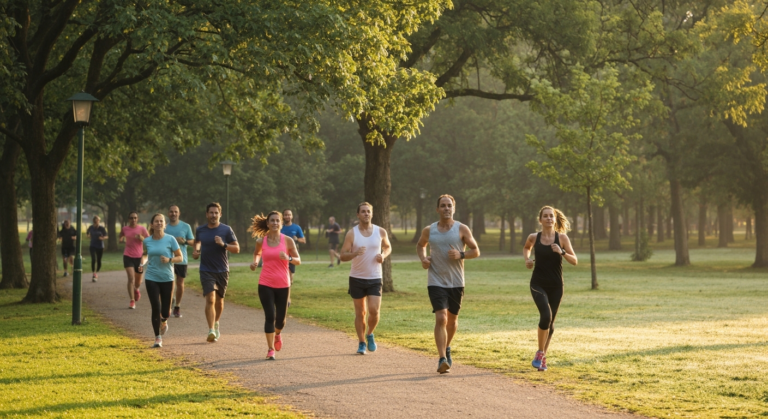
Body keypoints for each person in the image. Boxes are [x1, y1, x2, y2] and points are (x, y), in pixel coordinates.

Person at [416, 194, 480, 374]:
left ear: (454, 208)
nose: (446, 208)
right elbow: (421, 245)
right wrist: (423, 259)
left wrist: (461, 255)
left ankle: (447, 347)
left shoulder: (462, 229)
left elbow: (476, 251)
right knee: (441, 318)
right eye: (443, 206)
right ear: (437, 209)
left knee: (452, 320)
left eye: (449, 206)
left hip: (456, 282)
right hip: (435, 280)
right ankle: (442, 358)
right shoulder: (429, 230)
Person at [523, 206, 577, 372]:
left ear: (555, 219)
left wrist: (561, 252)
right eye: (545, 216)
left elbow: (574, 260)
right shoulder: (534, 237)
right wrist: (527, 259)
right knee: (545, 315)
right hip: (538, 283)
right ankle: (540, 353)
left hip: (556, 286)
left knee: (551, 323)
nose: (548, 219)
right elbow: (527, 248)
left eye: (551, 216)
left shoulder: (562, 238)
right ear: (540, 220)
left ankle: (543, 357)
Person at [339, 202, 391, 355]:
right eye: (363, 211)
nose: (366, 214)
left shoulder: (380, 231)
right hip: (357, 277)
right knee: (360, 312)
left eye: (368, 211)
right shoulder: (352, 233)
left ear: (372, 214)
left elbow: (388, 247)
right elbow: (342, 255)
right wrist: (354, 254)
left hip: (375, 277)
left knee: (374, 311)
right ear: (358, 214)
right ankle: (361, 342)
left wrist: (383, 255)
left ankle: (370, 334)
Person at [249, 211, 301, 360]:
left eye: (277, 221)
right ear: (268, 223)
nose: (275, 223)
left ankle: (277, 334)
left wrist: (288, 258)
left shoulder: (288, 241)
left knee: (281, 321)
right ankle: (270, 349)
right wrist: (255, 262)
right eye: (272, 221)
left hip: (283, 284)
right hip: (265, 283)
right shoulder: (261, 241)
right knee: (269, 316)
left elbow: (298, 260)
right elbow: (257, 253)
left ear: (281, 223)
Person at [193, 202, 240, 343]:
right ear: (206, 214)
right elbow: (197, 242)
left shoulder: (226, 230)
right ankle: (211, 329)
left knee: (219, 301)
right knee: (210, 299)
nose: (213, 215)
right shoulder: (200, 230)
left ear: (220, 214)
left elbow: (237, 249)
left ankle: (216, 323)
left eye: (216, 213)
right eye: (211, 213)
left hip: (222, 270)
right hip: (206, 270)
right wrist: (196, 251)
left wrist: (224, 245)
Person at [141, 213, 183, 348]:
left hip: (167, 278)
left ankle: (164, 320)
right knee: (155, 307)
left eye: (161, 221)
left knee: (165, 311)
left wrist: (169, 260)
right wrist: (141, 263)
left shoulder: (171, 239)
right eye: (156, 221)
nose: (159, 223)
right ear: (152, 225)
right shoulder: (147, 241)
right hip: (151, 277)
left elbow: (180, 257)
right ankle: (157, 337)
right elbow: (145, 255)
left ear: (165, 224)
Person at [164, 205, 195, 318]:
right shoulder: (164, 227)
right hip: (168, 259)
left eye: (175, 212)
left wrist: (184, 241)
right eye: (171, 212)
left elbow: (193, 242)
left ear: (179, 213)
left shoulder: (186, 226)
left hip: (181, 259)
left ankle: (177, 306)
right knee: (169, 283)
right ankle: (169, 303)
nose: (173, 214)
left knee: (180, 283)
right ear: (168, 213)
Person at [120, 212, 149, 309]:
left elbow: (149, 241)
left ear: (137, 219)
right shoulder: (125, 229)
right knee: (131, 278)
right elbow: (121, 236)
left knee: (138, 282)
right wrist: (121, 239)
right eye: (131, 218)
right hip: (128, 256)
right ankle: (132, 301)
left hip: (139, 257)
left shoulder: (142, 229)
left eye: (135, 218)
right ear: (128, 219)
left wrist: (142, 238)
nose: (133, 220)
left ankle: (136, 289)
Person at [281, 209, 305, 307]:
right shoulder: (280, 227)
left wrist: (297, 239)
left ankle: (288, 298)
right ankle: (284, 298)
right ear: (283, 216)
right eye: (285, 215)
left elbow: (303, 240)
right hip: (281, 255)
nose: (287, 216)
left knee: (290, 278)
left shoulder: (296, 227)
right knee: (282, 277)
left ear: (292, 216)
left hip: (291, 256)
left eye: (289, 215)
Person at [86, 216, 108, 281]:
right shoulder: (91, 227)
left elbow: (106, 236)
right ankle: (94, 273)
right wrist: (88, 236)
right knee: (93, 259)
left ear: (99, 221)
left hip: (100, 246)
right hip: (92, 245)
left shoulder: (102, 228)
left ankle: (97, 271)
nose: (96, 222)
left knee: (99, 260)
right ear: (93, 221)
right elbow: (87, 233)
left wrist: (102, 238)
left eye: (97, 221)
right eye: (95, 221)